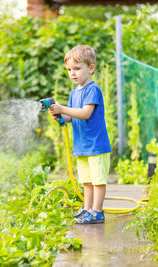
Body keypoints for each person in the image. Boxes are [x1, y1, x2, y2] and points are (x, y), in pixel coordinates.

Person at [49, 45, 111, 224]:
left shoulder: (92, 90)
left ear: (91, 68)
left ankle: (97, 212)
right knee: (87, 181)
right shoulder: (73, 93)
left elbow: (85, 113)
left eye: (77, 68)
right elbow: (73, 116)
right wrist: (61, 116)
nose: (72, 73)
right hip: (82, 145)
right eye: (69, 70)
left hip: (96, 145)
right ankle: (87, 209)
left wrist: (63, 108)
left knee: (98, 181)